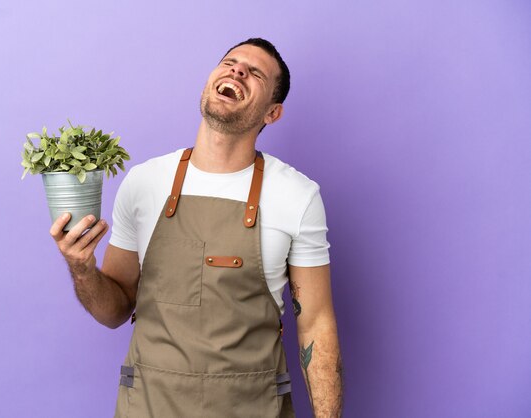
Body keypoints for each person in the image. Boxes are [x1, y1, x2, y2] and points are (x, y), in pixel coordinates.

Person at [50, 38, 343, 417]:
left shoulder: (297, 196)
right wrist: (82, 268)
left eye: (254, 73)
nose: (237, 70)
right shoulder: (144, 183)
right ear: (209, 82)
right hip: (149, 406)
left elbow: (316, 325)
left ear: (272, 113)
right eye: (230, 62)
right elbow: (115, 311)